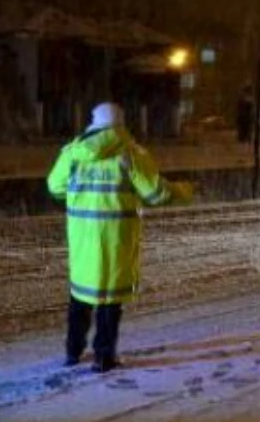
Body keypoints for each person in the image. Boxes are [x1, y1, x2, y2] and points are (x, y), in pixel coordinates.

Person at [46, 101, 193, 372]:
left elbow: (54, 187)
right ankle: (104, 357)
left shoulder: (72, 154)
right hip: (117, 241)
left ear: (93, 123)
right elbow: (154, 193)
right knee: (110, 303)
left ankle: (72, 351)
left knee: (80, 298)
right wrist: (183, 190)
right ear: (120, 124)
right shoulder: (131, 154)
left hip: (83, 242)